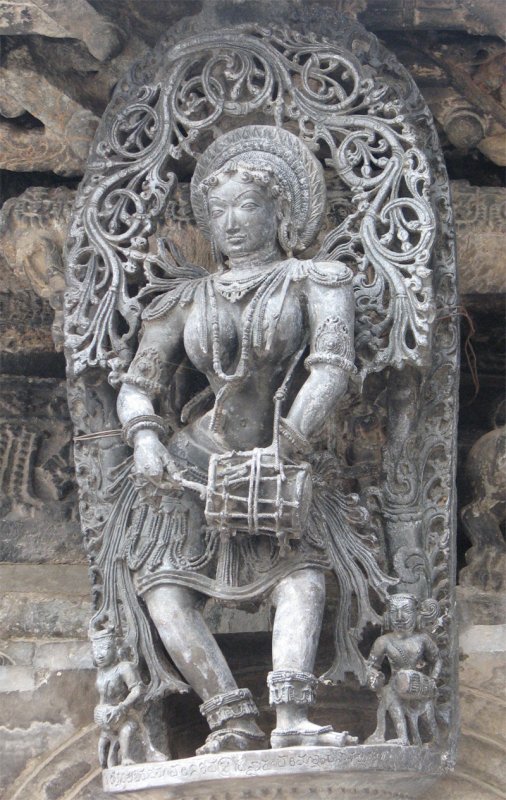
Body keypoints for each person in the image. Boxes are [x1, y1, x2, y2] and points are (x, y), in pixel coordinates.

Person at [98, 125, 392, 755]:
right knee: (164, 591)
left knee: (302, 575)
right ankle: (228, 719)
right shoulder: (185, 299)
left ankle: (292, 717)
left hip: (279, 457)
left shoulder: (318, 279)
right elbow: (137, 385)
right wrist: (146, 439)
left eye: (248, 206)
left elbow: (333, 366)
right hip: (191, 461)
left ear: (281, 211)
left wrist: (288, 442)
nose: (231, 222)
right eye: (219, 210)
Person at [365, 594, 442, 746]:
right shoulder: (383, 641)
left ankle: (434, 739)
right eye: (394, 612)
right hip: (395, 684)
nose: (400, 616)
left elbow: (437, 659)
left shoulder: (422, 639)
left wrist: (433, 680)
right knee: (390, 695)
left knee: (427, 715)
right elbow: (371, 666)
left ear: (416, 614)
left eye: (406, 610)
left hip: (417, 684)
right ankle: (402, 737)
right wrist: (374, 678)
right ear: (387, 616)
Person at [92, 629, 167, 766]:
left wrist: (122, 706)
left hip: (124, 712)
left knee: (127, 730)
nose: (99, 655)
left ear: (116, 649)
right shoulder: (101, 671)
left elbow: (136, 690)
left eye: (105, 648)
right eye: (96, 650)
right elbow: (103, 695)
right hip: (106, 718)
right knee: (104, 759)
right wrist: (100, 713)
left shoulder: (124, 668)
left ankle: (133, 755)